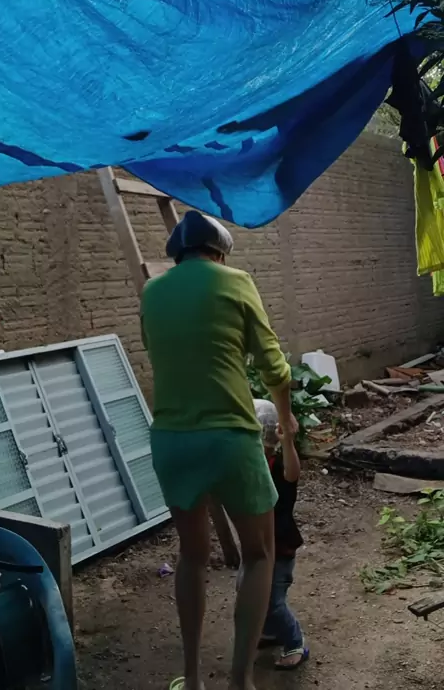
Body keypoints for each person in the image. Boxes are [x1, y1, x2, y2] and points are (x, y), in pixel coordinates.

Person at [140, 209, 296, 690]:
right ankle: (240, 681)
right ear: (220, 253)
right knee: (258, 554)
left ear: (179, 254)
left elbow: (156, 351)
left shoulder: (152, 292)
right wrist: (286, 420)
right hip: (229, 439)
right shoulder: (236, 282)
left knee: (192, 555)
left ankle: (191, 678)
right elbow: (275, 367)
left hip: (171, 441)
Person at [251, 399, 308, 670]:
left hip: (280, 546)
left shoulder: (278, 464)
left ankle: (295, 642)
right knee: (251, 592)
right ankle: (271, 631)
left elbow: (293, 472)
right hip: (258, 545)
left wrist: (288, 442)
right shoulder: (252, 464)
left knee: (273, 602)